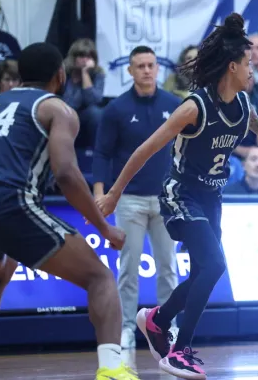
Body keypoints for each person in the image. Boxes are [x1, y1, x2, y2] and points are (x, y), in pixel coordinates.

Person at [95, 13, 258, 379]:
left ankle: (158, 319)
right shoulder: (194, 107)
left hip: (212, 198)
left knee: (205, 273)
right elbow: (145, 149)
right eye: (249, 65)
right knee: (214, 266)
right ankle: (179, 350)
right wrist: (113, 193)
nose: (253, 71)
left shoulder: (243, 107)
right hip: (181, 194)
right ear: (232, 66)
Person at [0, 43, 139, 380]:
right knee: (100, 277)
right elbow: (66, 174)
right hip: (11, 201)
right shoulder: (57, 109)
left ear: (19, 76)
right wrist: (104, 227)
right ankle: (112, 368)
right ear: (60, 76)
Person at [93, 46, 181, 350]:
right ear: (130, 71)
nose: (146, 70)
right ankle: (126, 328)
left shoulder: (175, 104)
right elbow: (102, 153)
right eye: (140, 66)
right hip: (129, 199)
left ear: (158, 69)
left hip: (166, 199)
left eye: (151, 65)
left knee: (168, 266)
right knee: (128, 268)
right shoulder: (116, 109)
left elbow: (185, 151)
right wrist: (99, 193)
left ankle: (167, 326)